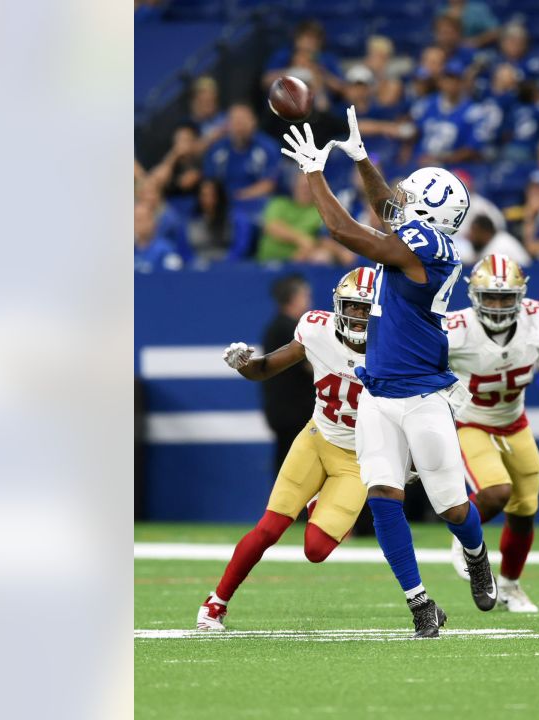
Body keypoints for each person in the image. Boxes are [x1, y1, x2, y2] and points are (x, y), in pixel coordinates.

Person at [279, 107, 497, 638]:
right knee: (383, 496)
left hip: (424, 393)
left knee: (449, 505)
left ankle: (475, 551)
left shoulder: (432, 249)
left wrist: (314, 172)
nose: (398, 200)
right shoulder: (420, 239)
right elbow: (386, 210)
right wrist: (359, 158)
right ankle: (421, 603)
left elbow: (347, 229)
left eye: (411, 197)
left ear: (430, 214)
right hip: (378, 391)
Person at [198, 268, 376, 630]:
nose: (357, 316)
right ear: (337, 306)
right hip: (316, 438)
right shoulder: (316, 329)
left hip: (358, 458)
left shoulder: (400, 346)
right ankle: (215, 603)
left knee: (316, 550)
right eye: (351, 307)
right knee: (269, 528)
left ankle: (318, 501)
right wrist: (244, 366)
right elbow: (266, 369)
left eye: (365, 309)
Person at [443, 255, 539, 611]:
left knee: (525, 509)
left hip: (514, 423)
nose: (499, 305)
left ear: (520, 296)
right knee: (496, 491)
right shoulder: (456, 330)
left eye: (506, 298)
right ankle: (464, 536)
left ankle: (510, 586)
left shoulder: (538, 320)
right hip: (472, 422)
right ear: (474, 296)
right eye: (491, 297)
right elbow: (423, 373)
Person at [203, 104, 282, 259]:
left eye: (242, 121)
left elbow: (269, 184)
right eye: (234, 121)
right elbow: (209, 183)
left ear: (253, 122)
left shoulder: (268, 147)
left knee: (242, 218)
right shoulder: (217, 149)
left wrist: (237, 196)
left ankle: (234, 260)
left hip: (255, 202)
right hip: (222, 203)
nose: (238, 126)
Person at [260, 275, 316, 475]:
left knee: (288, 464)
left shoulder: (275, 327)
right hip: (294, 413)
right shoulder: (291, 330)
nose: (309, 300)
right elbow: (312, 366)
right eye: (306, 295)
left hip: (283, 412)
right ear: (294, 298)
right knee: (295, 468)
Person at [409, 60, 483, 167]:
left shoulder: (473, 111)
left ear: (463, 83)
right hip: (420, 164)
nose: (451, 84)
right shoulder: (426, 104)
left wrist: (439, 159)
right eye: (447, 79)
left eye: (456, 80)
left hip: (454, 168)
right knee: (398, 181)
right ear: (440, 81)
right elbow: (413, 133)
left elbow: (471, 150)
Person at [257, 172, 324, 263]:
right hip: (267, 261)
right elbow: (272, 227)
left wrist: (304, 252)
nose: (306, 190)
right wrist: (300, 239)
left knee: (321, 256)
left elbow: (321, 239)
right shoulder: (279, 203)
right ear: (294, 187)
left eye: (310, 187)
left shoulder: (320, 211)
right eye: (303, 186)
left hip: (300, 262)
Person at [459, 215, 532, 266]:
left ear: (485, 233)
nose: (471, 236)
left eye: (474, 232)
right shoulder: (491, 242)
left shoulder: (500, 244)